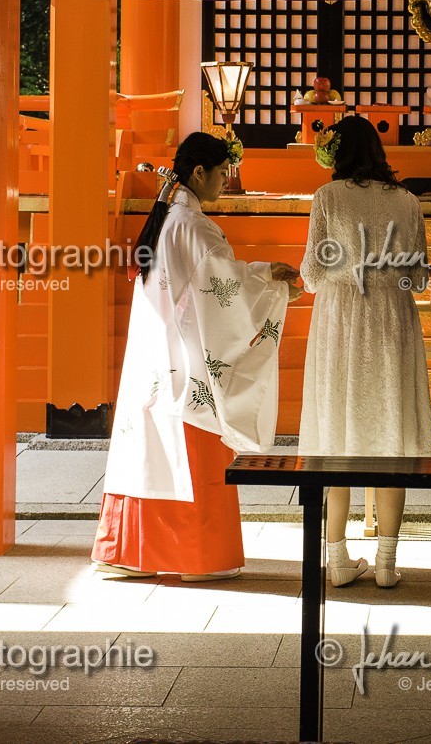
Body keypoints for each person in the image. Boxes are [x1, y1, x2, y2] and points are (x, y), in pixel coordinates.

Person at [92, 132, 303, 581]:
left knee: (148, 450)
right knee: (195, 451)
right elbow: (224, 292)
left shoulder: (171, 220)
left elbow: (215, 282)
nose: (226, 181)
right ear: (199, 172)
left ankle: (133, 551)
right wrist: (274, 287)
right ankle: (196, 555)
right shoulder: (195, 226)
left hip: (157, 354)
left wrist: (264, 273)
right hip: (185, 360)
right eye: (222, 172)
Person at [298, 116, 431, 588]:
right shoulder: (408, 201)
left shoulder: (328, 197)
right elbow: (419, 279)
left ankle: (336, 559)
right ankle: (386, 564)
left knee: (337, 435)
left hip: (340, 323)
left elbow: (311, 274)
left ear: (338, 154)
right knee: (390, 436)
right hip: (390, 321)